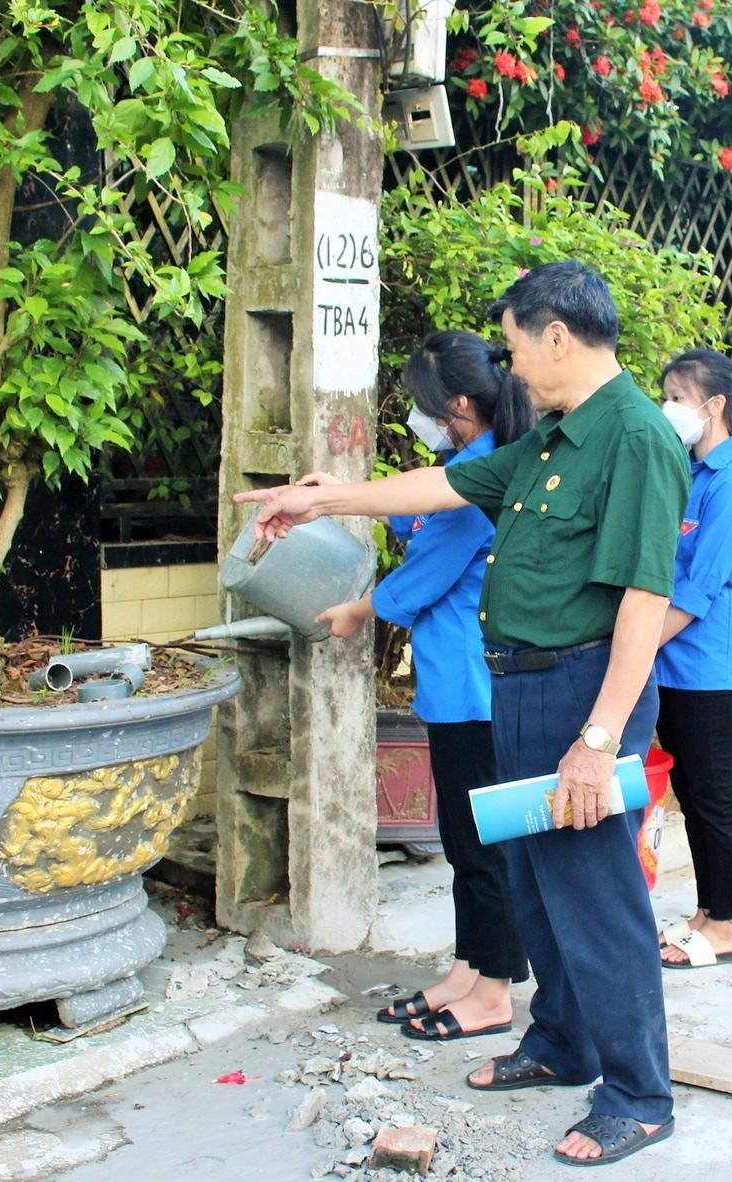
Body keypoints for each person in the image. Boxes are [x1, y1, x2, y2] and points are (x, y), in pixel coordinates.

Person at [234, 261, 686, 1167]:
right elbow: (440, 489)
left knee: (596, 896)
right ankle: (562, 1043)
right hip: (515, 688)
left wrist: (598, 742)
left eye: (517, 347)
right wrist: (318, 497)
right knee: (536, 885)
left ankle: (639, 1094)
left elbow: (643, 600)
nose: (512, 369)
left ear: (557, 336)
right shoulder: (556, 438)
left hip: (579, 695)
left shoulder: (635, 438)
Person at [317, 331, 533, 1039]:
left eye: (422, 405)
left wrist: (357, 609)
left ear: (459, 404)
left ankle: (493, 991)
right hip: (457, 679)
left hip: (475, 688)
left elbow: (429, 570)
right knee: (464, 840)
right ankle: (471, 969)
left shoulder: (477, 478)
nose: (417, 417)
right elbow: (415, 520)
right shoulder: (470, 460)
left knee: (482, 847)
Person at [652, 349, 732, 970]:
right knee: (693, 792)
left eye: (678, 396)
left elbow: (699, 590)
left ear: (715, 405)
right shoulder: (693, 474)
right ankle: (708, 911)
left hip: (711, 667)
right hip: (676, 663)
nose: (669, 408)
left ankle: (728, 926)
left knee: (717, 795)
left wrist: (637, 645)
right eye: (666, 395)